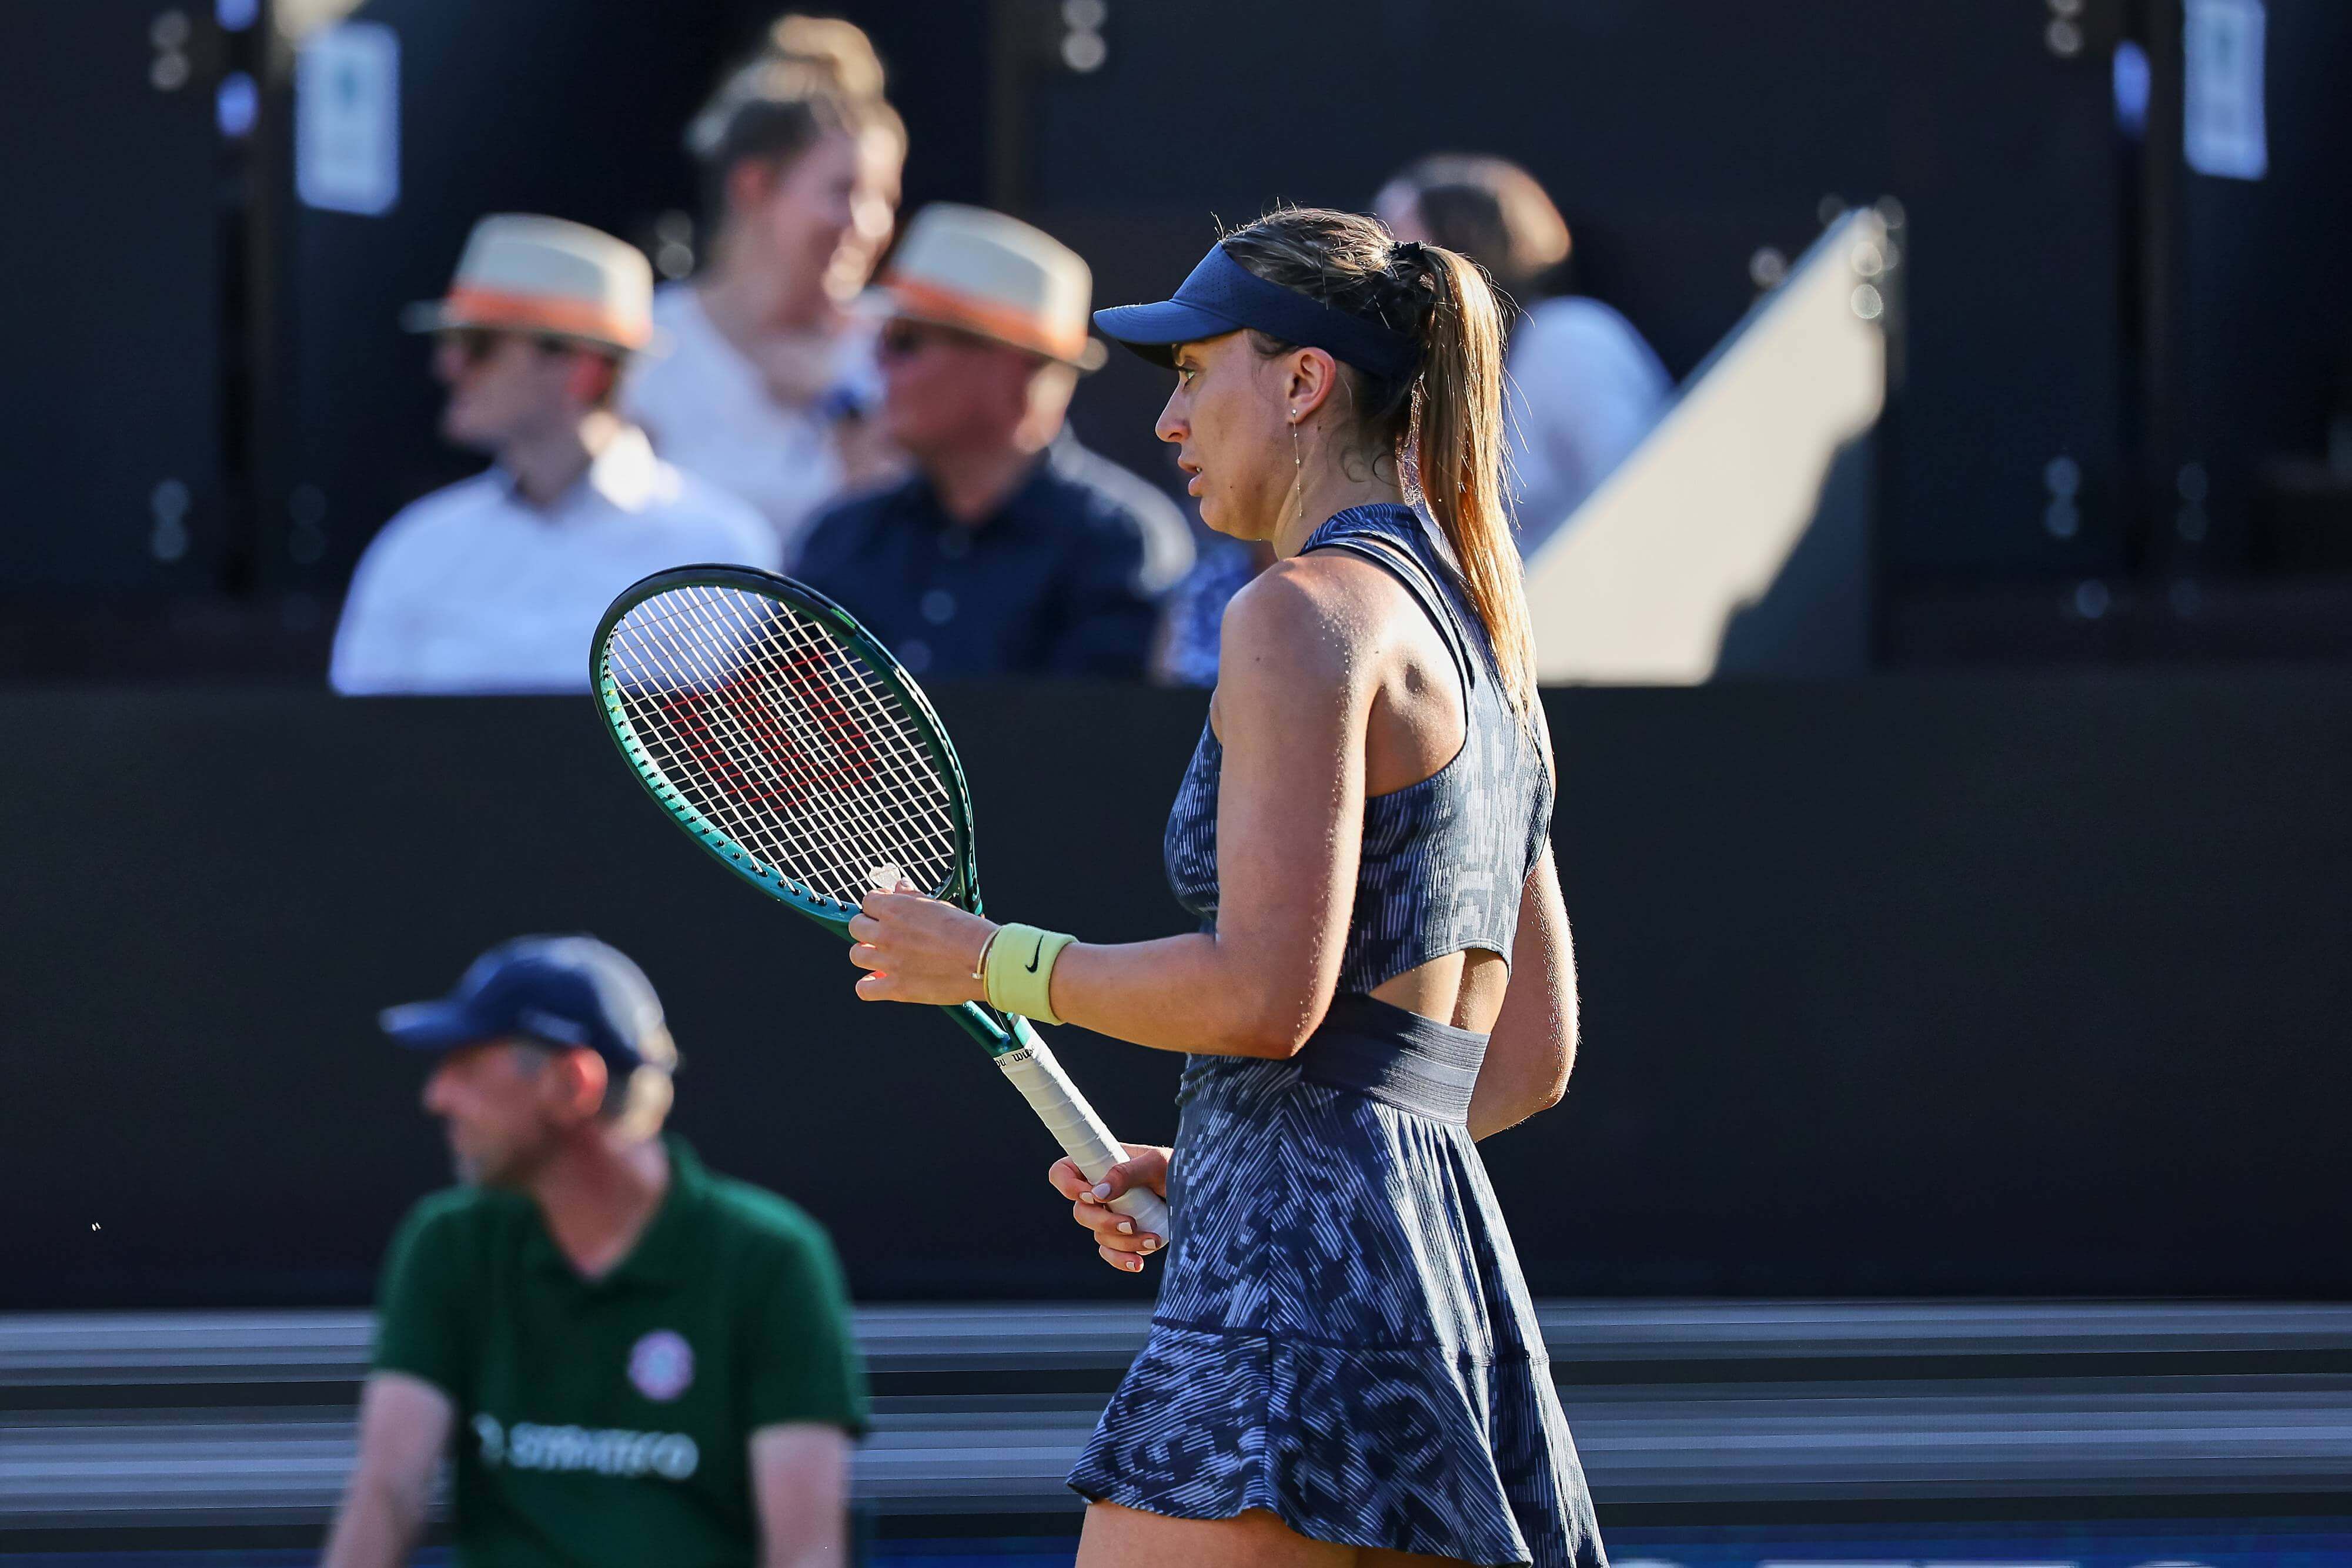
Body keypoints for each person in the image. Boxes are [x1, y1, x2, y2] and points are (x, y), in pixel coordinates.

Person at [845, 209, 1603, 1566]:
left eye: (1195, 374)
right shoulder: (1484, 638)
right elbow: (1525, 1059)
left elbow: (1262, 994)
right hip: (1442, 1306)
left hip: (1286, 1324)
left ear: (1302, 381)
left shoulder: (1297, 614)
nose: (1167, 420)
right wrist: (1231, 1172)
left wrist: (987, 960)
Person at [321, 935, 866, 1568]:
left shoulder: (771, 1259)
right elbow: (387, 1492)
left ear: (573, 1084)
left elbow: (805, 1555)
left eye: (466, 1066)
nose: (437, 1096)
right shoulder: (448, 1243)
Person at [332, 215, 777, 696]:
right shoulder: (415, 547)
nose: (449, 366)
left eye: (479, 345)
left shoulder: (721, 550)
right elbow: (359, 733)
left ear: (584, 368)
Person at [793, 204, 1192, 678]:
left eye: (904, 340)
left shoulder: (1120, 548)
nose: (879, 363)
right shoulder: (842, 538)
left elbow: (1107, 724)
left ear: (1011, 369)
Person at [623, 16, 908, 558]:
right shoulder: (649, 344)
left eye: (885, 200)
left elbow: (916, 541)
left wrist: (840, 407)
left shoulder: (903, 345)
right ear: (754, 186)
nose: (869, 224)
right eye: (844, 191)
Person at [1378, 153, 1672, 554]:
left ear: (1464, 246)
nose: (1380, 269)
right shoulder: (1429, 379)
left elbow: (1643, 495)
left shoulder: (1570, 337)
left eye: (1400, 243)